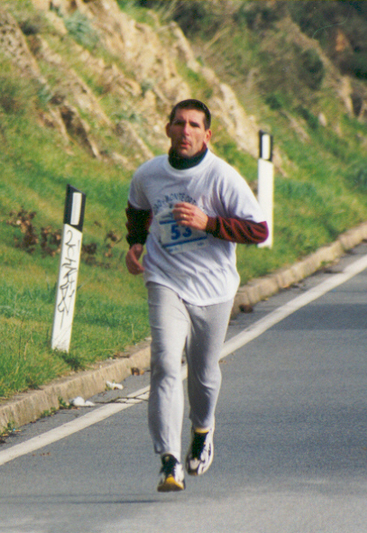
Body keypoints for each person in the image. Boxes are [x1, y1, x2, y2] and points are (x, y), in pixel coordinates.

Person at [124, 99, 268, 492]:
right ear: (168, 129)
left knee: (203, 375)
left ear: (207, 134)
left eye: (194, 125)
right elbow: (137, 209)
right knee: (165, 363)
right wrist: (135, 244)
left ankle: (202, 430)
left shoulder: (221, 177)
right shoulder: (149, 174)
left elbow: (259, 231)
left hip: (215, 286)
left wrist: (210, 223)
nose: (185, 131)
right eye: (179, 124)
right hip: (165, 278)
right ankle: (169, 460)